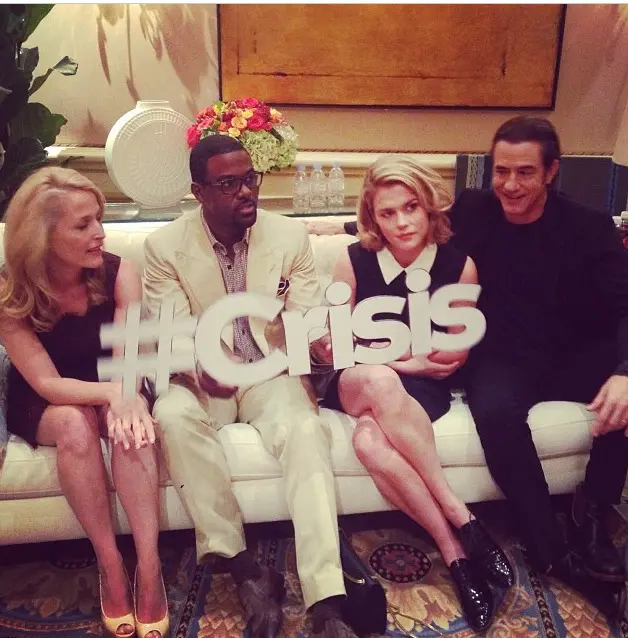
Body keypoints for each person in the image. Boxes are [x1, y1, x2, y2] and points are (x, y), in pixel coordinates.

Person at [307, 116, 628, 619]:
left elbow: (622, 305)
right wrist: (328, 231)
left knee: (626, 388)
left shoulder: (584, 228)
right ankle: (507, 535)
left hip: (561, 353)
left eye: (525, 172)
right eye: (501, 171)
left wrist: (624, 371)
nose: (510, 184)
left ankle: (587, 513)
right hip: (486, 358)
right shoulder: (475, 208)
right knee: (478, 409)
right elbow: (393, 220)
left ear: (551, 172)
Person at [143, 134, 358, 638]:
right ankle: (246, 571)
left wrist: (317, 347)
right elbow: (172, 329)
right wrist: (202, 363)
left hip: (269, 373)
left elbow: (304, 315)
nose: (246, 192)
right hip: (205, 377)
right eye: (228, 184)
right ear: (199, 192)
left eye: (250, 179)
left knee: (306, 429)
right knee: (171, 414)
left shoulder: (288, 236)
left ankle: (328, 600)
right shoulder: (164, 247)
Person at [317, 155, 513, 631]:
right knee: (380, 381)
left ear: (428, 207)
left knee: (368, 442)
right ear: (373, 217)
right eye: (387, 213)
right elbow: (341, 345)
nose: (402, 223)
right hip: (357, 379)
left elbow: (452, 356)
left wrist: (386, 355)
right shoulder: (353, 259)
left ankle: (455, 555)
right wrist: (405, 359)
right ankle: (461, 514)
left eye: (410, 208)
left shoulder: (459, 266)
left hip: (422, 388)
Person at [0, 168, 169, 638]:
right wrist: (111, 395)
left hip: (115, 378)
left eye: (99, 219)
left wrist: (121, 396)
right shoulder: (10, 291)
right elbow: (48, 383)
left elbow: (124, 363)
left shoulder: (119, 273)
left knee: (130, 425)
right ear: (42, 236)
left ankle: (150, 566)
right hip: (47, 398)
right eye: (82, 225)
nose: (100, 233)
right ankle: (110, 564)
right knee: (74, 424)